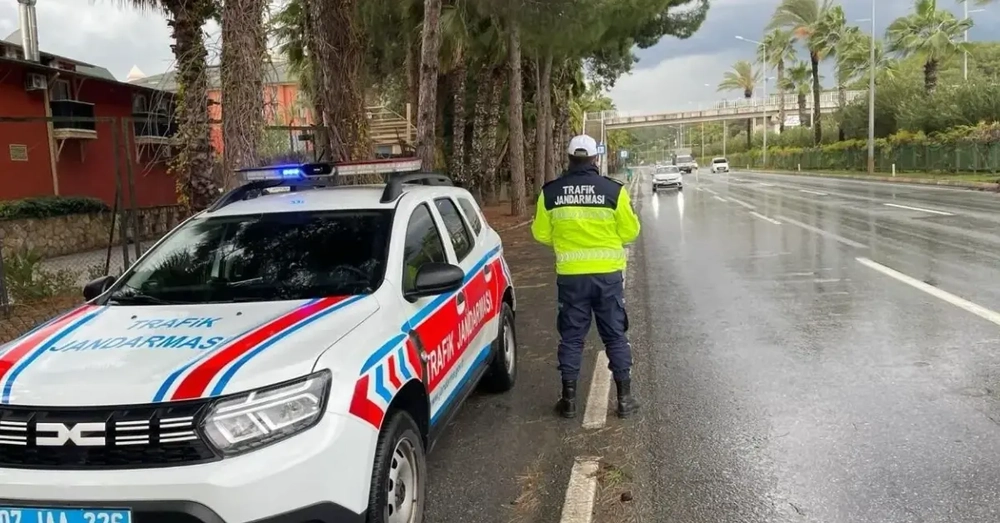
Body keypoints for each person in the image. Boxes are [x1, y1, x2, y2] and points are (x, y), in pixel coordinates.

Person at [530, 134, 641, 419]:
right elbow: (630, 231)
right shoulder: (614, 191)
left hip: (571, 278)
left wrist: (565, 241)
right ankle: (625, 400)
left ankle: (568, 402)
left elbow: (540, 233)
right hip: (607, 277)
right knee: (614, 335)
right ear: (595, 158)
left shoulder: (550, 193)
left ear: (569, 158)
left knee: (571, 337)